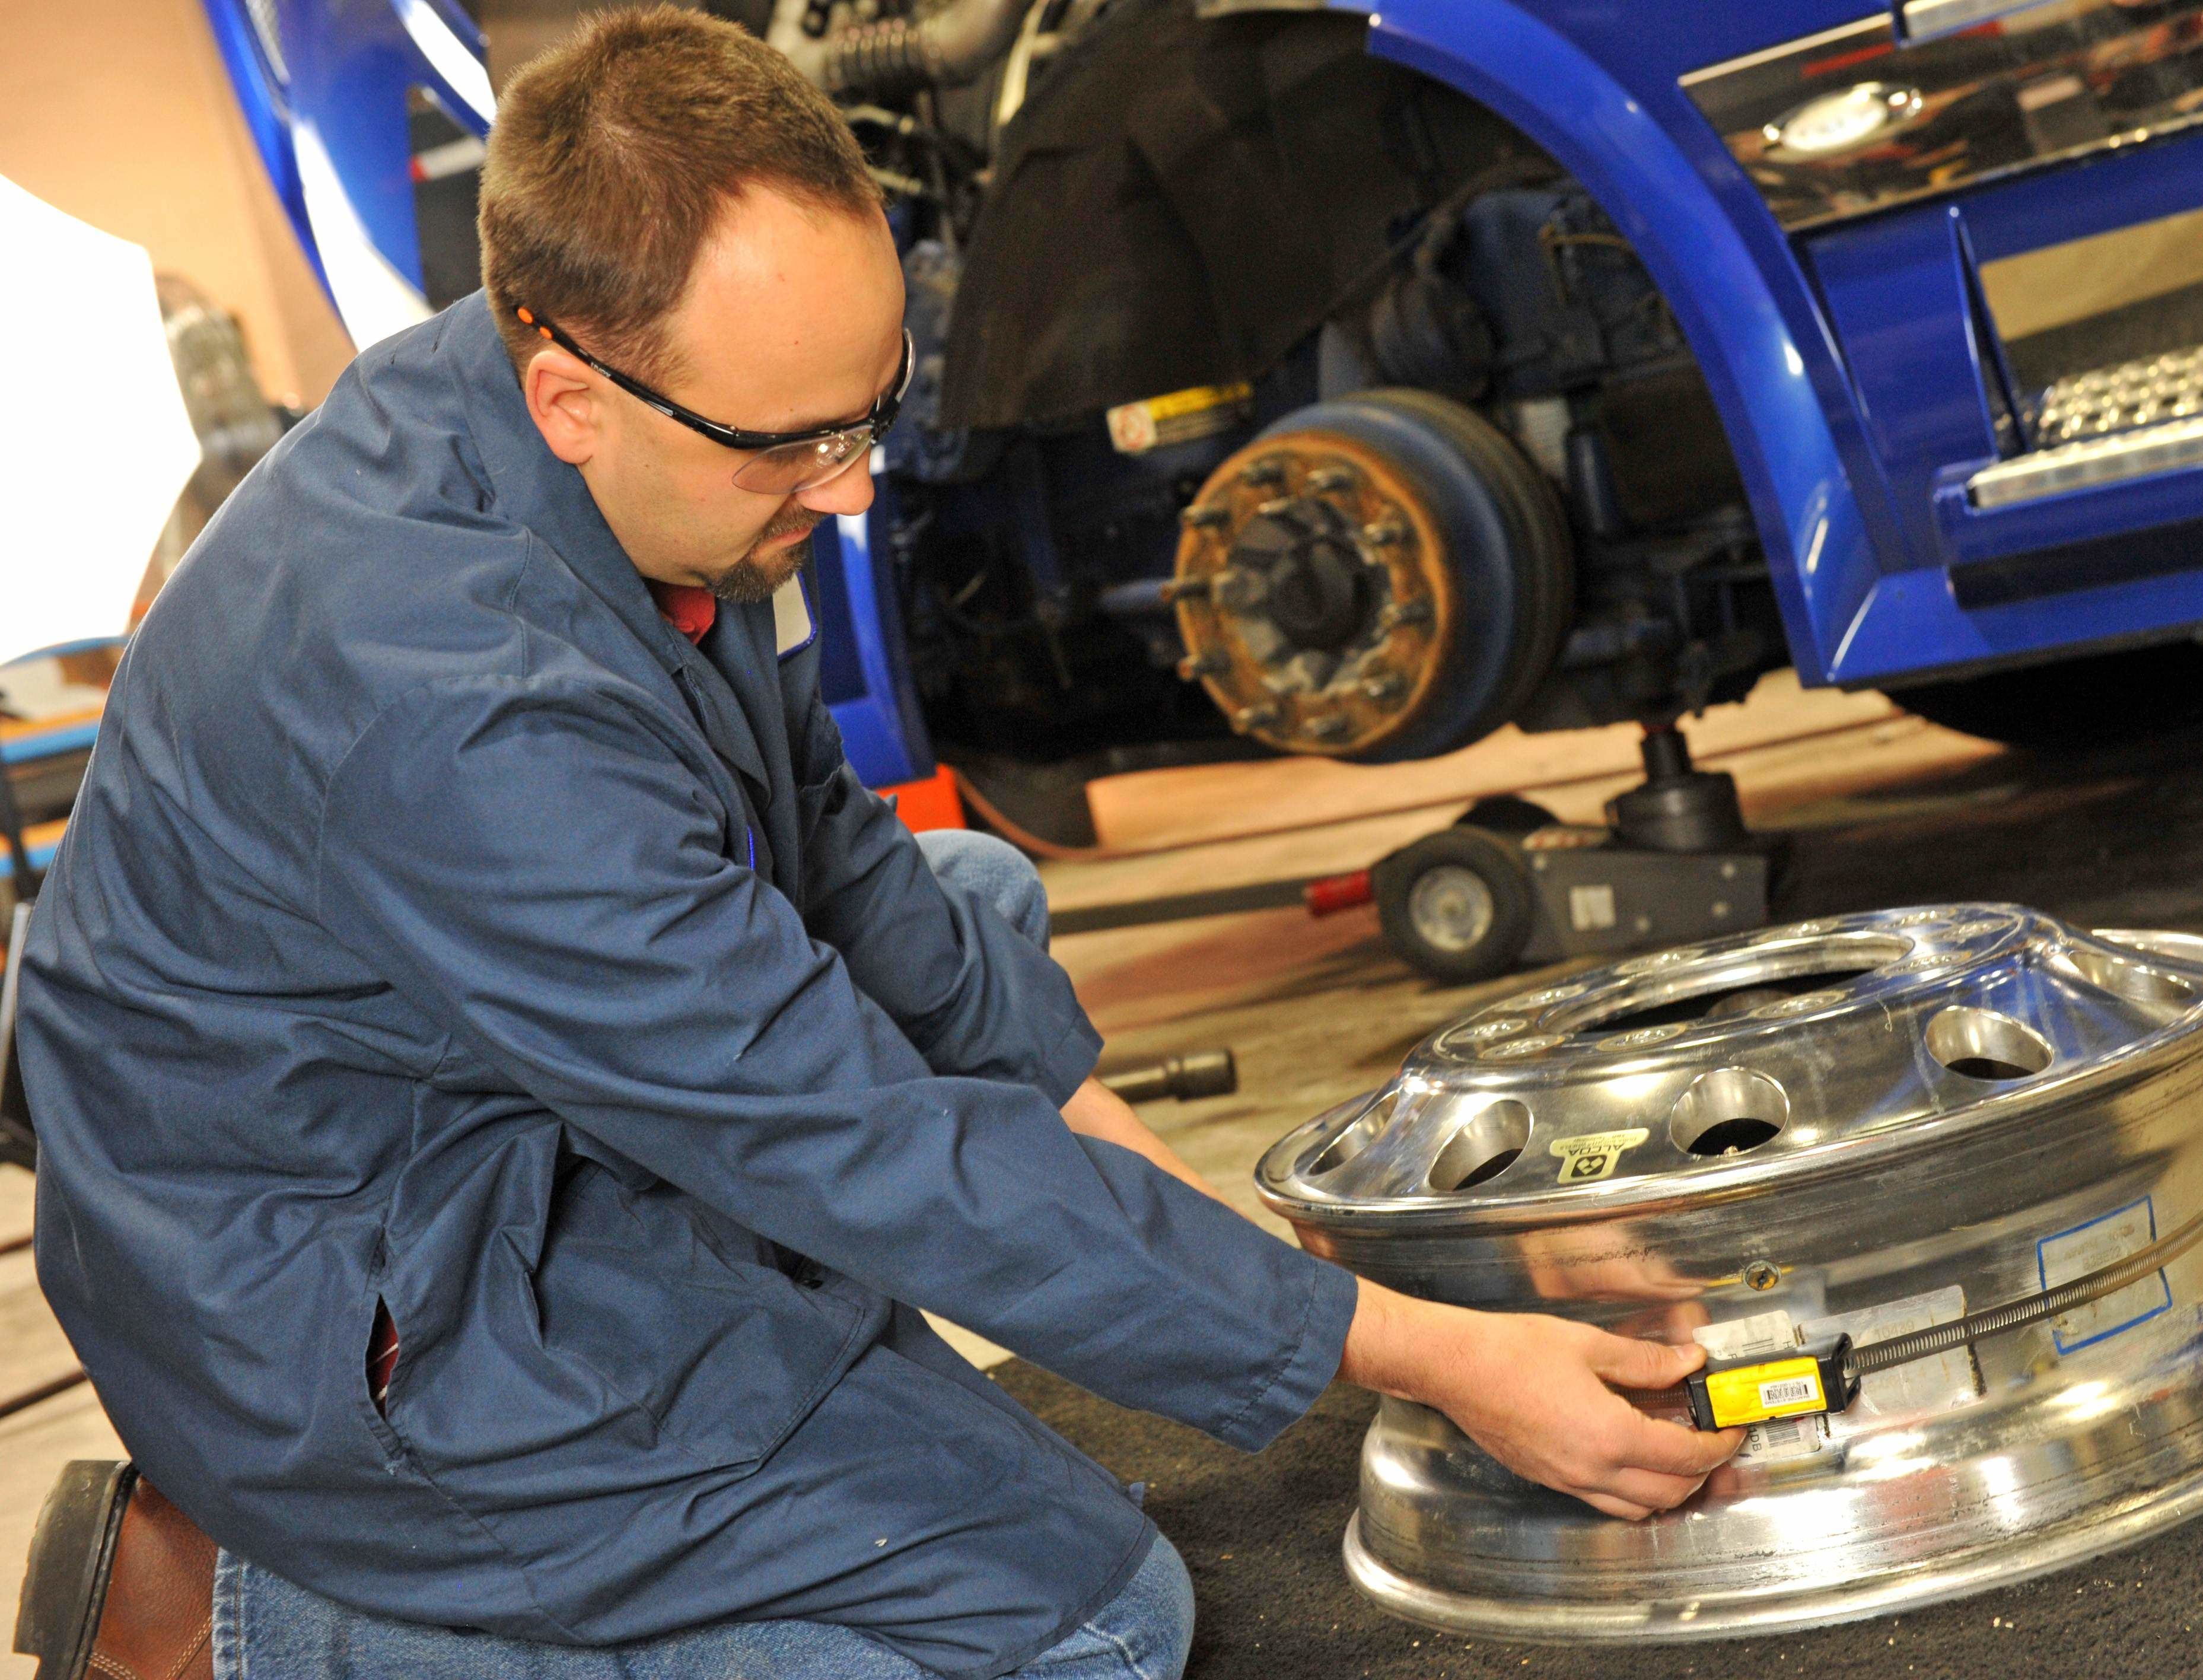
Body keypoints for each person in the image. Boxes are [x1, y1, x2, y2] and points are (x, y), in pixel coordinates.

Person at [10, 11, 1739, 1679]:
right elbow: (837, 1131)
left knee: (972, 901)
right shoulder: (454, 703)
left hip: (464, 1110)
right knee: (1086, 1621)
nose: (851, 494)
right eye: (796, 446)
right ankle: (244, 1626)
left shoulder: (634, 448)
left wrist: (1267, 1262)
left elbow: (829, 856)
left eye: (870, 412)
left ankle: (771, 1414)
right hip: (343, 1308)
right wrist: (1425, 1358)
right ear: (568, 394)